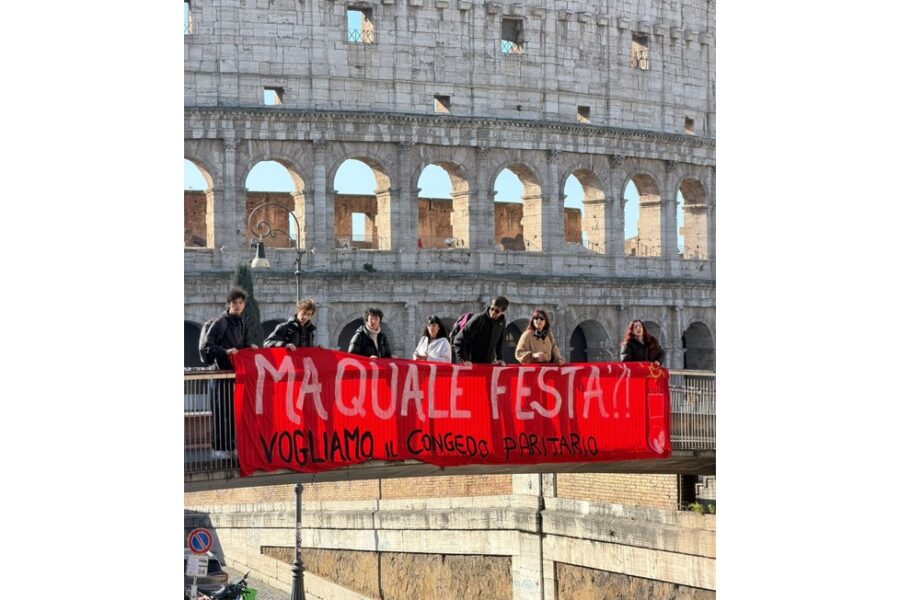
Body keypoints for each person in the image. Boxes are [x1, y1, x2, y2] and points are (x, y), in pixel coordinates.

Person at [199, 287, 258, 459]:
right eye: (234, 303)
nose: (237, 306)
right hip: (220, 374)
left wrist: (251, 347)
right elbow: (207, 348)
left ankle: (232, 446)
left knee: (234, 411)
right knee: (221, 411)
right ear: (229, 304)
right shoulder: (220, 322)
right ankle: (219, 448)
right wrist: (225, 351)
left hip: (236, 375)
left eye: (240, 303)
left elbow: (243, 348)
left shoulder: (243, 323)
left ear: (244, 305)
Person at [452, 296, 509, 365]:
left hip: (488, 365)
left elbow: (499, 344)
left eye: (497, 311)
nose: (493, 312)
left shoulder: (502, 322)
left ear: (503, 312)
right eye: (492, 309)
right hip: (471, 364)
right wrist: (464, 359)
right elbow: (459, 339)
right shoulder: (479, 319)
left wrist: (500, 359)